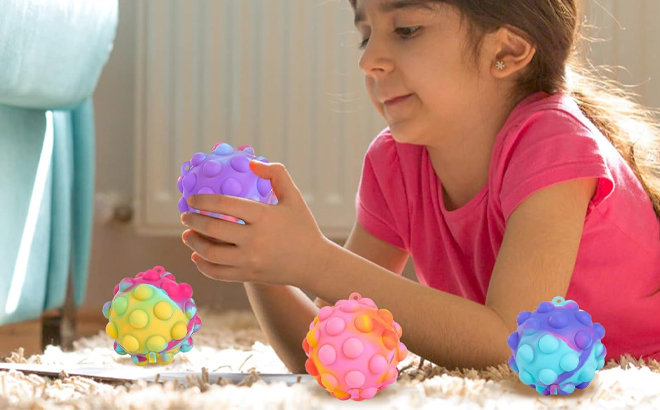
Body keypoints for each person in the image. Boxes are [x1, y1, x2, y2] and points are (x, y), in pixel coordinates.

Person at [180, 0, 660, 372]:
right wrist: (263, 263)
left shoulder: (554, 142)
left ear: (507, 51)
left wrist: (315, 260)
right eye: (364, 34)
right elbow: (332, 348)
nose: (369, 60)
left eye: (405, 29)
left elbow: (509, 342)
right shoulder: (395, 163)